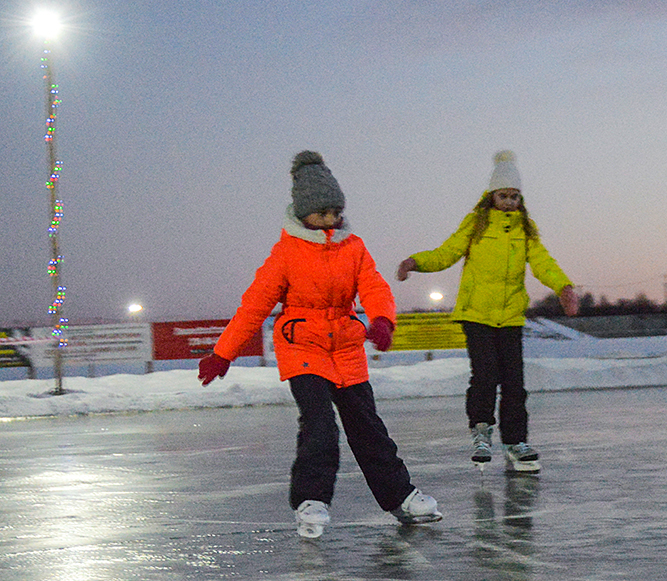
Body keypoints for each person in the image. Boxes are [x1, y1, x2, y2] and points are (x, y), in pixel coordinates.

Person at [198, 150, 441, 537]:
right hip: (303, 349)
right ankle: (311, 500)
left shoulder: (354, 247)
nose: (331, 220)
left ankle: (400, 496)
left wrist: (381, 319)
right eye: (322, 213)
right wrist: (222, 352)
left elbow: (374, 285)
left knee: (368, 426)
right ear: (303, 212)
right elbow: (254, 306)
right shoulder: (285, 254)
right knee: (319, 425)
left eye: (335, 212)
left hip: (346, 347)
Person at [396, 150, 578, 473]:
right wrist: (416, 262)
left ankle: (515, 442)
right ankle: (481, 431)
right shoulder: (476, 224)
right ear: (491, 195)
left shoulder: (526, 229)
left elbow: (542, 263)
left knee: (514, 382)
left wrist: (563, 286)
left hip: (509, 316)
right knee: (485, 375)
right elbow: (447, 252)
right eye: (503, 195)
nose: (508, 202)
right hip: (476, 314)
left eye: (514, 196)